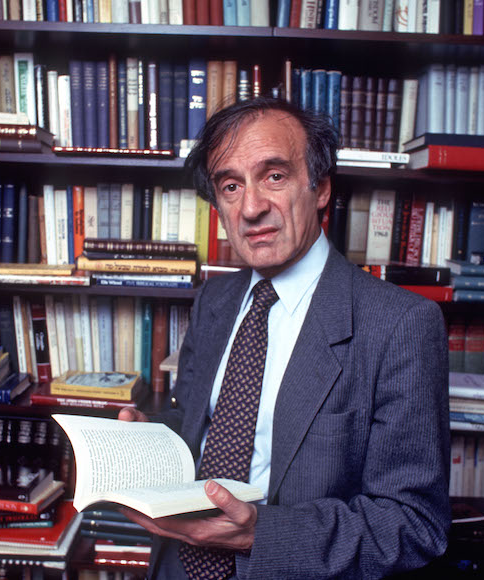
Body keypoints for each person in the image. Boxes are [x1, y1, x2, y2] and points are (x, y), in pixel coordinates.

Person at [118, 97, 450, 579]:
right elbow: (206, 426)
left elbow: (414, 524)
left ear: (320, 189)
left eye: (274, 176)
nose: (251, 207)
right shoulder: (215, 299)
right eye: (231, 186)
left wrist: (260, 533)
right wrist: (148, 437)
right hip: (177, 564)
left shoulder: (400, 325)